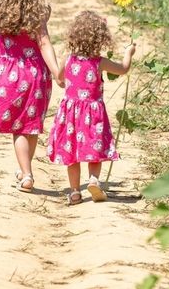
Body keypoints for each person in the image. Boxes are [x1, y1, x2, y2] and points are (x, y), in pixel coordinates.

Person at [0, 0, 63, 193]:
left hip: (8, 75)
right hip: (35, 73)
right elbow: (45, 43)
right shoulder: (38, 12)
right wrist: (57, 72)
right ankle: (25, 169)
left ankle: (26, 173)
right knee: (30, 125)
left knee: (18, 128)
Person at [47, 11, 136, 205]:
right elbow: (123, 69)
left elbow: (60, 78)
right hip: (93, 114)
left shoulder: (69, 59)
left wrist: (64, 83)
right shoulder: (99, 62)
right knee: (93, 148)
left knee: (72, 154)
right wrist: (128, 53)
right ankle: (94, 180)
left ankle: (75, 191)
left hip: (71, 115)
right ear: (101, 38)